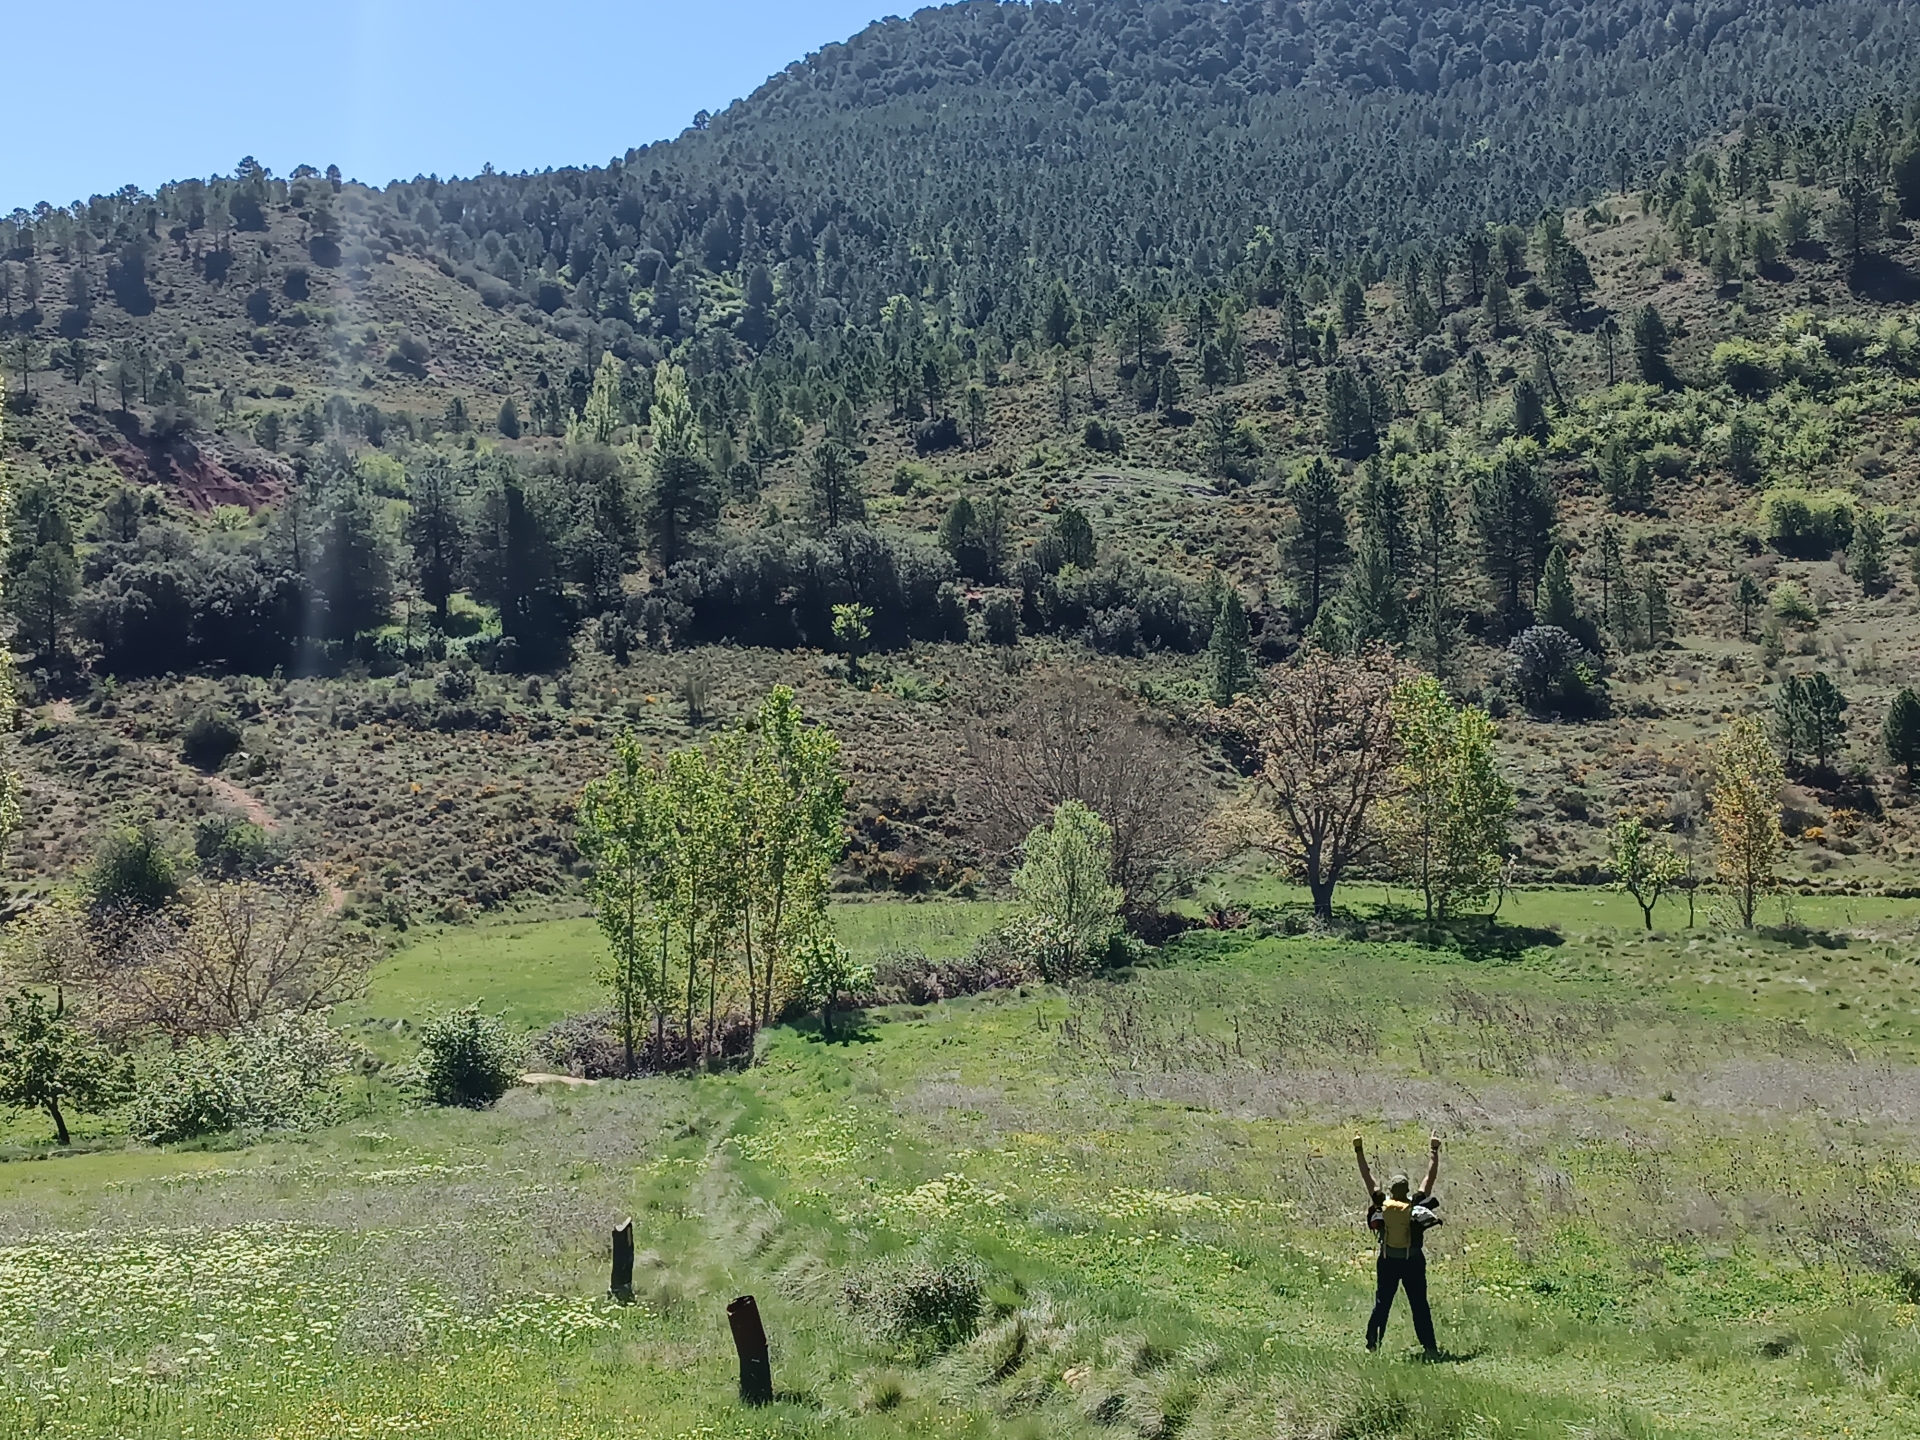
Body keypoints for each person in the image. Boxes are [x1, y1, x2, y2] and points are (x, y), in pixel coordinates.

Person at [1354, 1133, 1443, 1356]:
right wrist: (1434, 1151)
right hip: (1412, 1260)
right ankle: (1430, 1348)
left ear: (1391, 1191)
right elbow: (1429, 1179)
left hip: (1387, 1260)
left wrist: (1359, 1150)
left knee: (1382, 1303)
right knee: (1419, 1305)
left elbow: (1367, 1177)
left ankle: (1373, 1344)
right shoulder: (1415, 1204)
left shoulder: (1382, 1204)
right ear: (1406, 1189)